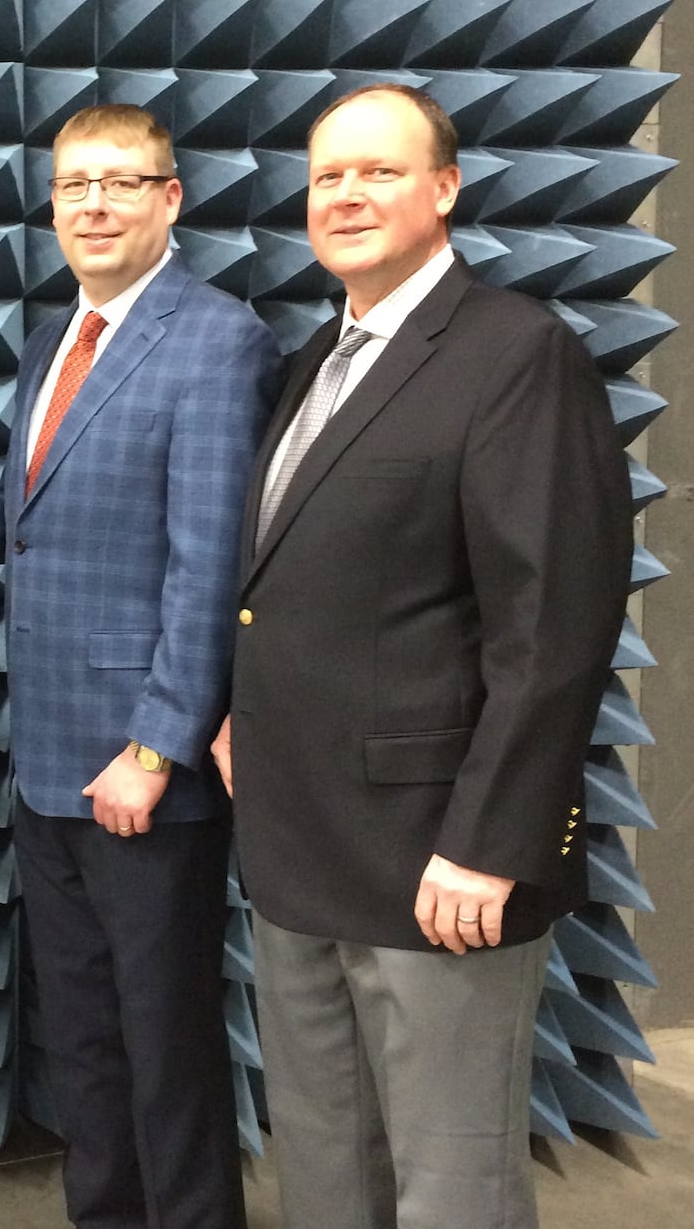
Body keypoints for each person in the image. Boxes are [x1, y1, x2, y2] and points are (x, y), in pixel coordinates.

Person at [211, 85, 632, 1229]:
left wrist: (491, 842)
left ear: (443, 189)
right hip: (300, 845)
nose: (344, 194)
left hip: (437, 859)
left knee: (452, 1181)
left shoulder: (514, 353)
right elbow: (309, 583)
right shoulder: (315, 359)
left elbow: (554, 625)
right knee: (323, 1163)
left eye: (377, 171)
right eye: (326, 177)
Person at [0, 104, 281, 1229]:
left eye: (119, 183)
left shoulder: (216, 337)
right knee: (83, 1042)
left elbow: (208, 562)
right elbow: (32, 514)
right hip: (48, 760)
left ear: (169, 199)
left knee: (165, 1046)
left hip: (140, 771)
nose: (92, 205)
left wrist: (155, 744)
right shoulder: (55, 340)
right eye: (72, 186)